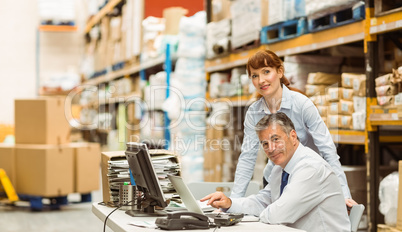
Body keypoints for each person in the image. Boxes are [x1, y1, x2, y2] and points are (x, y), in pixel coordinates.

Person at [231, 49, 357, 207]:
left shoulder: (302, 104)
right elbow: (247, 158)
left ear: (280, 71)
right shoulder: (254, 113)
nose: (261, 80)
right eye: (255, 76)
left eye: (266, 72)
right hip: (275, 180)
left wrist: (343, 195)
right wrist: (233, 203)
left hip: (308, 177)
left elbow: (328, 150)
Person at [201, 113, 351, 232]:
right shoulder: (279, 168)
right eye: (265, 143)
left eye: (276, 139)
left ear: (293, 136)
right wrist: (230, 203)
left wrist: (260, 213)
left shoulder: (310, 168)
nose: (271, 148)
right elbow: (263, 200)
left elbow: (278, 214)